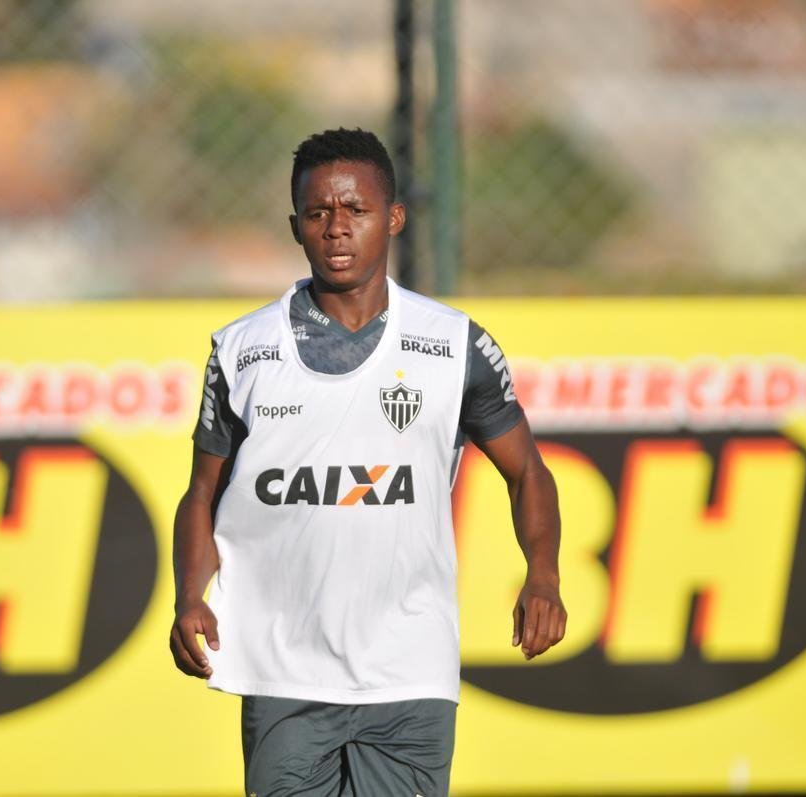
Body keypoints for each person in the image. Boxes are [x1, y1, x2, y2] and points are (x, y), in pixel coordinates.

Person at [170, 127, 565, 797]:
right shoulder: (243, 350)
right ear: (296, 226)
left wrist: (544, 574)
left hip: (408, 670)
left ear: (395, 218)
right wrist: (188, 596)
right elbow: (202, 493)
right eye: (319, 212)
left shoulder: (453, 345)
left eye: (356, 209)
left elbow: (528, 469)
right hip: (284, 669)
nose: (337, 228)